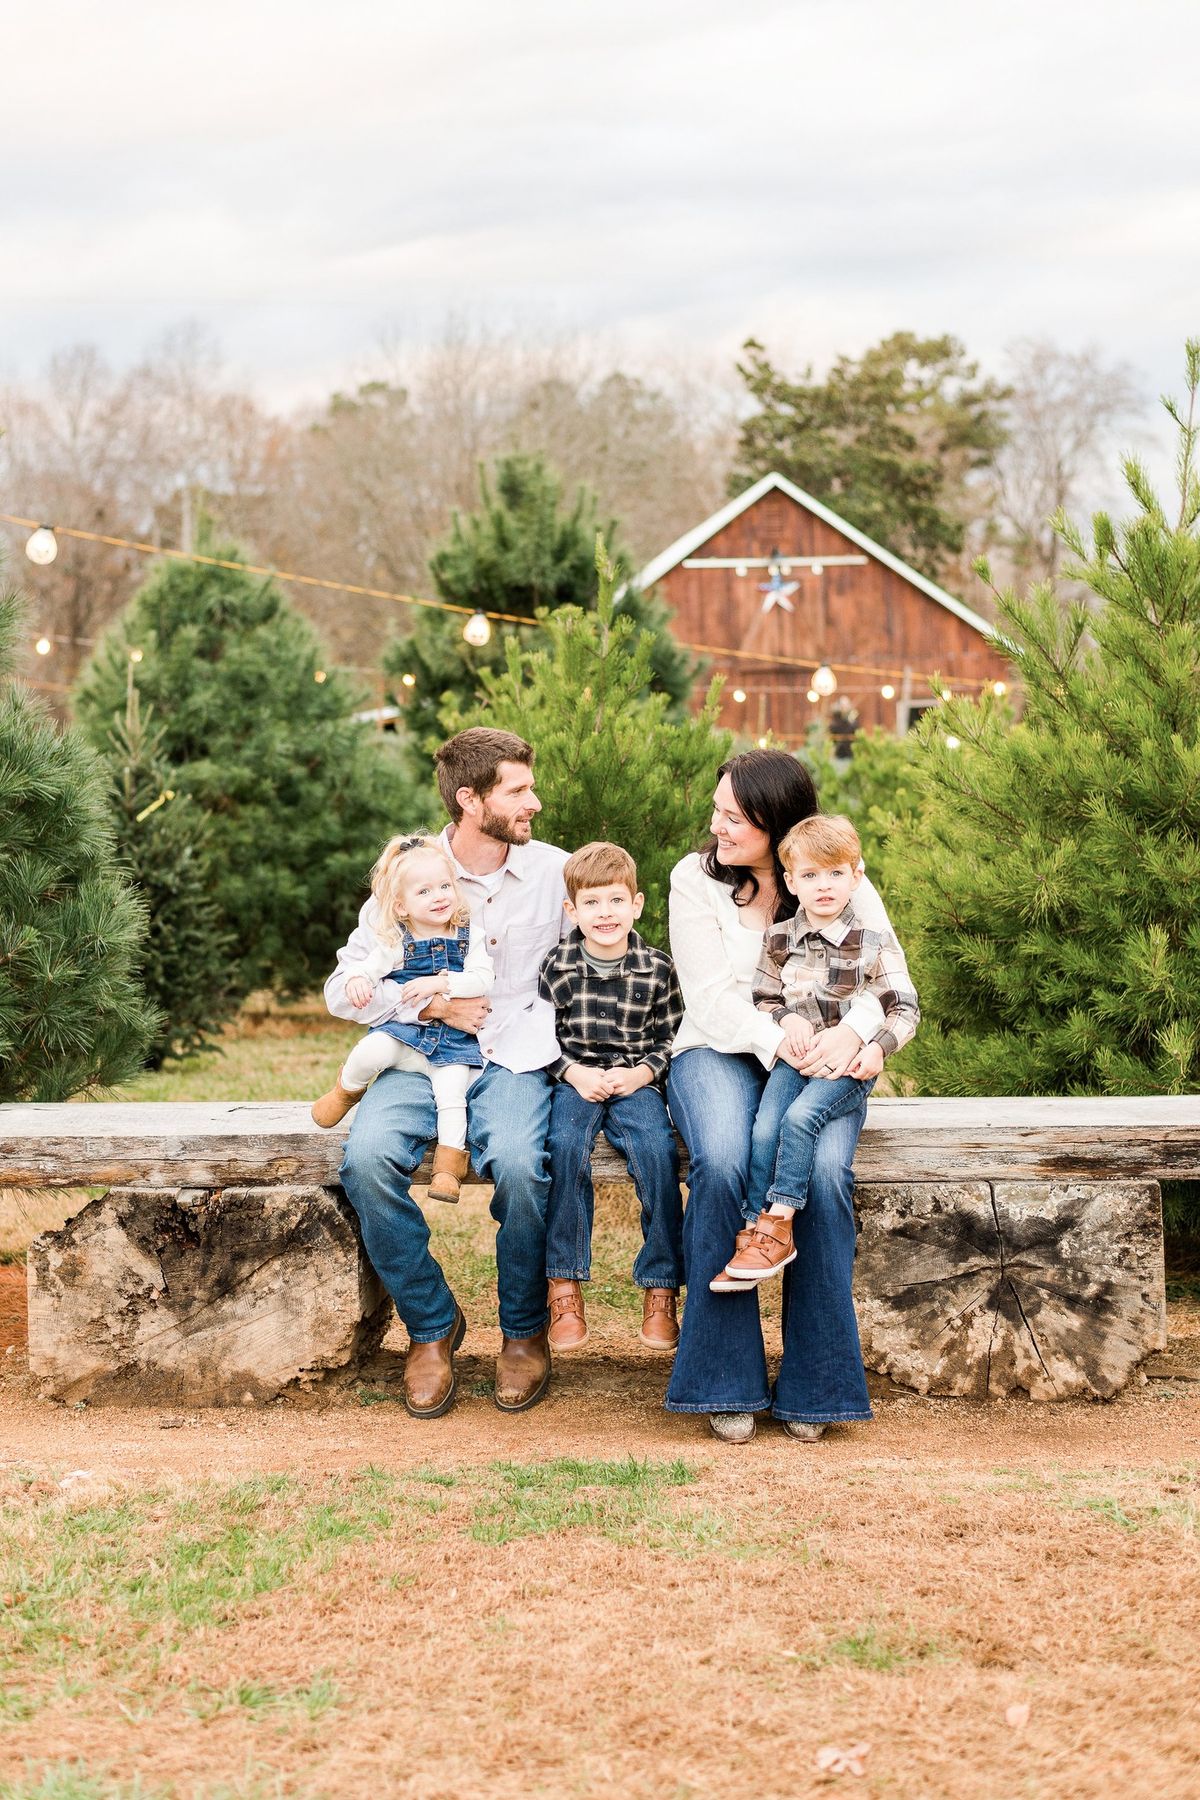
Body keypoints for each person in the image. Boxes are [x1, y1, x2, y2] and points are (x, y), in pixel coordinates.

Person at [326, 728, 568, 1420]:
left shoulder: (555, 873)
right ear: (470, 799)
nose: (536, 803)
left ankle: (523, 1332)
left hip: (516, 1056)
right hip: (416, 1053)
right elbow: (346, 990)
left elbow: (588, 973)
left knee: (523, 1165)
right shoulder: (411, 872)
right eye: (518, 791)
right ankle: (432, 1325)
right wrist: (426, 999)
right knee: (367, 1159)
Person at [663, 749, 896, 1445]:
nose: (718, 827)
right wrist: (778, 1041)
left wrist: (857, 1038)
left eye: (734, 817)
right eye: (717, 811)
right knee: (726, 1160)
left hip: (824, 1056)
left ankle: (819, 1384)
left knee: (823, 1175)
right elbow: (706, 996)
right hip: (718, 1048)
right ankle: (721, 1377)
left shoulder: (836, 873)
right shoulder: (693, 879)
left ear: (776, 821)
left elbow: (891, 981)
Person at [712, 813, 919, 1288]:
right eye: (810, 875)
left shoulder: (873, 942)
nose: (823, 886)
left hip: (846, 1067)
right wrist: (787, 1020)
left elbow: (904, 1007)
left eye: (835, 873)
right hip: (798, 1057)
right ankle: (753, 1227)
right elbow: (765, 998)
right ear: (791, 880)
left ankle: (780, 1223)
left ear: (856, 875)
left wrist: (879, 1050)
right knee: (764, 1128)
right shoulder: (780, 939)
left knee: (800, 1119)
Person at [537, 841, 685, 1355]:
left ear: (637, 904)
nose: (605, 913)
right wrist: (571, 1071)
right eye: (592, 903)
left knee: (657, 1152)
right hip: (575, 1080)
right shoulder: (555, 966)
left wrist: (645, 1074)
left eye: (616, 901)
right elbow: (537, 1037)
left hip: (633, 1082)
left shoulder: (657, 968)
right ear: (571, 910)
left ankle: (662, 1287)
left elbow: (672, 1036)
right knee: (563, 1148)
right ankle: (564, 1285)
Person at [310, 834, 495, 1205]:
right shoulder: (396, 940)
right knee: (371, 1050)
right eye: (424, 892)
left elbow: (482, 978)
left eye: (445, 886)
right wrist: (359, 979)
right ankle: (345, 1091)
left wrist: (439, 982)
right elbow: (365, 968)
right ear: (401, 906)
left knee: (452, 1097)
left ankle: (448, 1168)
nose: (439, 896)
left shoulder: (469, 936)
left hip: (454, 1045)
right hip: (408, 1036)